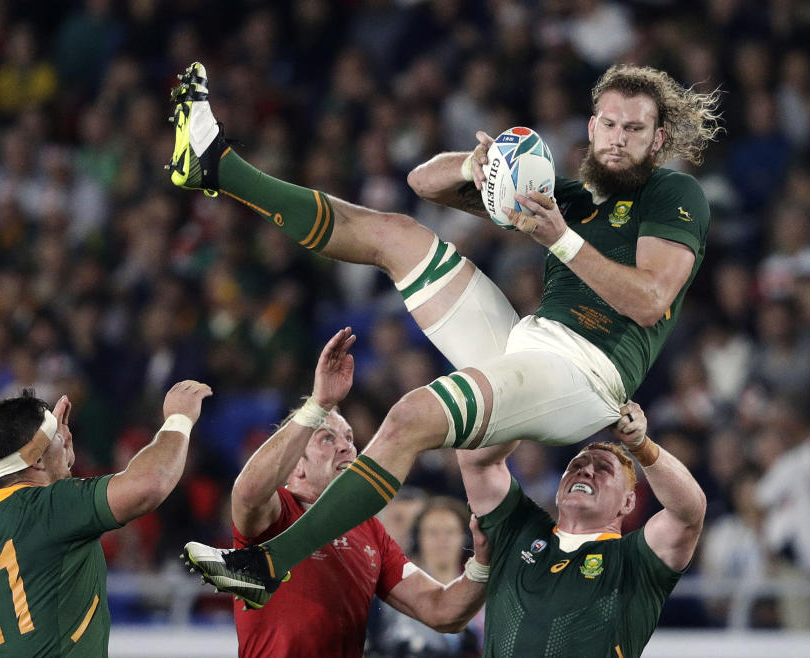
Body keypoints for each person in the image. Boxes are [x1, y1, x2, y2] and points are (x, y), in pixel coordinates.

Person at [171, 61, 720, 607]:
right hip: (528, 344)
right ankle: (218, 167)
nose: (618, 140)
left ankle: (268, 565)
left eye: (634, 129)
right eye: (609, 124)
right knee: (395, 233)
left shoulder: (671, 193)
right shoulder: (569, 197)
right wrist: (473, 165)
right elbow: (421, 182)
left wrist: (560, 240)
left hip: (587, 374)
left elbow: (650, 302)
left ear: (659, 138)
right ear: (592, 125)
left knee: (413, 414)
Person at [184, 328, 489, 658]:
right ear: (295, 468)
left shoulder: (371, 531)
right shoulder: (278, 514)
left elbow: (444, 611)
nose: (346, 447)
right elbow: (246, 493)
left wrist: (484, 563)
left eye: (349, 438)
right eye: (327, 438)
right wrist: (318, 405)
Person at [0, 380, 212, 656]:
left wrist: (50, 451)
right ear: (37, 461)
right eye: (56, 436)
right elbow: (152, 483)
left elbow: (30, 506)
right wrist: (179, 419)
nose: (67, 438)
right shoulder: (52, 509)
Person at [455, 402, 706, 656]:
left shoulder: (634, 558)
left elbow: (688, 513)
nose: (585, 471)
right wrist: (540, 403)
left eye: (603, 470)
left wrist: (641, 446)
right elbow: (475, 459)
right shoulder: (521, 531)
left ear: (628, 502)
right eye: (575, 467)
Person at [365, 496, 482, 658]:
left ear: (464, 538)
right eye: (433, 532)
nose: (442, 540)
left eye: (450, 531)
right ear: (419, 539)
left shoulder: (482, 591)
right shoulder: (398, 588)